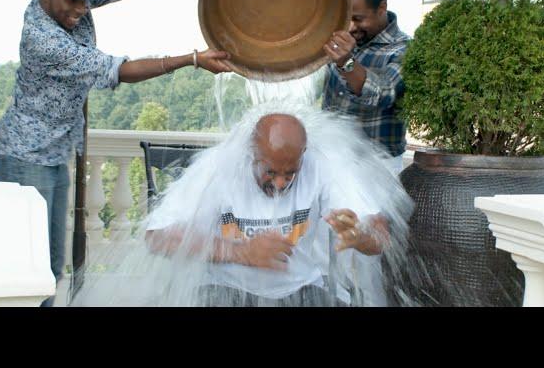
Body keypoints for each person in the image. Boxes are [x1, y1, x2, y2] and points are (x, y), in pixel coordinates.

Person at [0, 0, 232, 307]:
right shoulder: (45, 40)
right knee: (34, 269)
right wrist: (192, 59)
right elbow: (121, 70)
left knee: (51, 268)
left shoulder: (65, 1)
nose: (81, 8)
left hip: (53, 152)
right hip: (25, 156)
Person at [143, 108, 411, 307]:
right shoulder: (217, 167)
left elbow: (380, 235)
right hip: (225, 289)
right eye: (270, 172)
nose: (281, 183)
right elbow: (156, 236)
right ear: (251, 153)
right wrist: (240, 252)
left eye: (291, 172)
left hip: (302, 288)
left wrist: (361, 236)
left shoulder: (324, 164)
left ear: (304, 153)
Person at [322, 0, 410, 175]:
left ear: (382, 8)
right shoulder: (336, 36)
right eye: (346, 18)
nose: (351, 27)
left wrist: (347, 63)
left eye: (358, 18)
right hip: (330, 161)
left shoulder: (404, 49)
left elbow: (382, 93)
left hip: (378, 169)